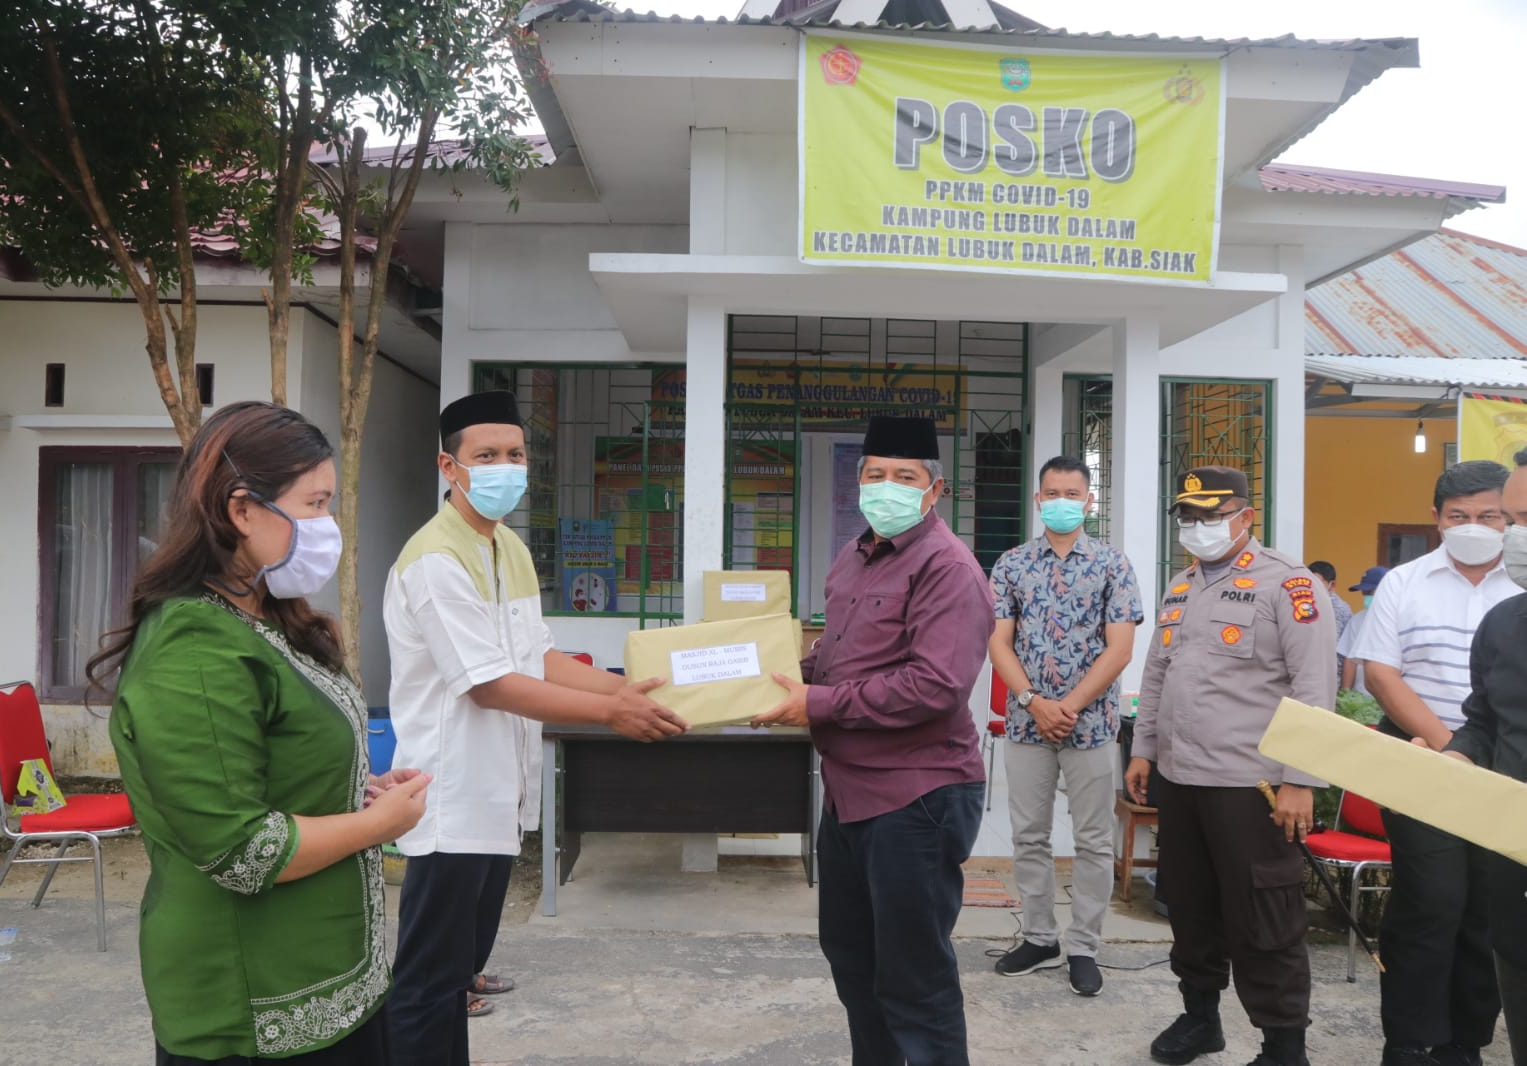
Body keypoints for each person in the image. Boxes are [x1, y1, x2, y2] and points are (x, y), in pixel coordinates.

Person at [91, 401, 431, 1065]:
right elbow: (240, 849)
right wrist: (376, 827)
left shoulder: (266, 615)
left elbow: (281, 765)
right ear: (242, 510)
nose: (327, 527)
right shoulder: (193, 645)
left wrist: (356, 790)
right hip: (253, 1004)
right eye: (314, 504)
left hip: (331, 978)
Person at [383, 390, 688, 1066]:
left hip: (497, 799)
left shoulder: (507, 547)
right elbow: (487, 683)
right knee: (427, 983)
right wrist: (612, 714)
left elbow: (537, 656)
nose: (504, 467)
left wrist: (625, 686)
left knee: (456, 977)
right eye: (485, 455)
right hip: (450, 798)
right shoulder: (435, 559)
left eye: (515, 455)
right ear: (448, 465)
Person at [750, 415, 994, 1066]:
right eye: (875, 474)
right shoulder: (852, 558)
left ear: (933, 490)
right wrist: (760, 682)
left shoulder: (949, 569)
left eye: (904, 477)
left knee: (914, 979)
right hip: (850, 794)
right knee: (853, 961)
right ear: (858, 480)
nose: (887, 487)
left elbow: (935, 685)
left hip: (915, 797)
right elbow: (835, 660)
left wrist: (816, 703)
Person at [1125, 465, 1335, 1066]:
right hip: (1182, 779)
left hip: (1255, 787)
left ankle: (1283, 1046)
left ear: (1246, 517)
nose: (1197, 527)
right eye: (1189, 516)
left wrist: (1301, 779)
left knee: (1264, 918)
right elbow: (1158, 674)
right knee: (1189, 908)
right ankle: (1200, 1021)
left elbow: (1314, 687)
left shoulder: (1288, 585)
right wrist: (1145, 750)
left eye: (1210, 516)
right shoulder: (1181, 587)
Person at [1352, 460, 1514, 1066]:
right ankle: (1410, 1039)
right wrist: (1453, 749)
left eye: (1489, 516)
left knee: (1486, 907)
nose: (1475, 526)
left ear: (1509, 519)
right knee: (1431, 899)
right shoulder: (1405, 581)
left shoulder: (1521, 584)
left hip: (1505, 767)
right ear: (1437, 520)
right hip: (1422, 757)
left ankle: (1464, 1041)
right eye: (1460, 517)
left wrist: (1480, 756)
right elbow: (1381, 674)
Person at [987, 455, 1143, 996]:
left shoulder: (1113, 565)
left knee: (1094, 840)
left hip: (1093, 726)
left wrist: (1068, 706)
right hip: (1028, 726)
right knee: (1029, 835)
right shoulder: (1010, 564)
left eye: (1071, 493)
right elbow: (998, 642)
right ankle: (1039, 937)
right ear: (1037, 500)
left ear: (1089, 501)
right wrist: (1033, 702)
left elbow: (1120, 649)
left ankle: (1083, 947)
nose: (1060, 501)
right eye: (1051, 492)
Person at [1433, 446, 1527, 1066]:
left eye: (1523, 520)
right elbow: (1483, 724)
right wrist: (1457, 758)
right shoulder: (1504, 624)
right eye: (1513, 521)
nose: (1515, 537)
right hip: (1513, 871)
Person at [1337, 566, 1387, 694]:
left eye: (1370, 592)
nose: (1366, 597)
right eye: (1364, 593)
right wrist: (1346, 694)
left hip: (1390, 696)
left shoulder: (1403, 620)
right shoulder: (1357, 620)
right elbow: (1350, 659)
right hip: (1361, 696)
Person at [1308, 561, 1353, 679]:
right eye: (1308, 582)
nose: (1311, 587)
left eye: (1316, 583)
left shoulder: (1338, 609)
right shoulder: (1307, 605)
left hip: (1328, 676)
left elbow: (1332, 648)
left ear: (1331, 585)